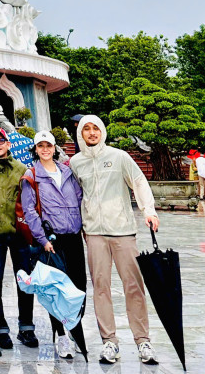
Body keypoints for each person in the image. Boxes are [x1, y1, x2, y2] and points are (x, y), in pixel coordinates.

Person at [70, 115, 160, 366]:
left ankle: (143, 340)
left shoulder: (119, 157)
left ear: (102, 131)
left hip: (123, 232)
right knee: (101, 287)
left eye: (95, 128)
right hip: (95, 233)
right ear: (80, 134)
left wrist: (149, 210)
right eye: (86, 129)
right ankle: (109, 341)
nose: (91, 133)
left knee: (134, 286)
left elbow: (139, 182)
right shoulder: (76, 162)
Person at [20, 130, 85, 359]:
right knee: (56, 290)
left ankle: (76, 331)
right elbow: (29, 210)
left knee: (79, 286)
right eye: (41, 146)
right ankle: (61, 336)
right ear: (35, 149)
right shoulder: (31, 175)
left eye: (48, 145)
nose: (45, 149)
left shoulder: (67, 171)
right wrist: (43, 240)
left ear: (54, 147)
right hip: (52, 239)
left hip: (73, 235)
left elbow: (79, 199)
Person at [0, 126, 37, 351]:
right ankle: (0, 328)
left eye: (0, 141)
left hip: (18, 232)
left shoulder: (21, 168)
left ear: (8, 144)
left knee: (24, 280)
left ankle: (26, 327)